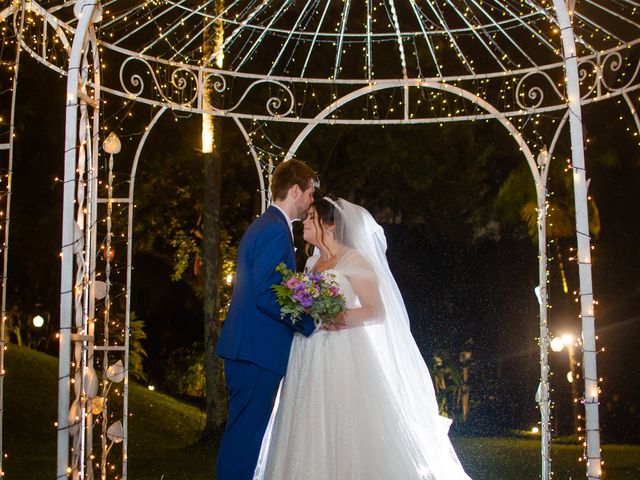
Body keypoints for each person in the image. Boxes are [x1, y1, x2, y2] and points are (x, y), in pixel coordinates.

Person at [253, 195, 472, 480]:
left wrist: (338, 317)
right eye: (305, 217)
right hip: (306, 353)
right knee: (305, 420)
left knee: (344, 422)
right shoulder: (311, 263)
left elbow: (375, 311)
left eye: (310, 217)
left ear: (330, 225)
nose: (304, 222)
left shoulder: (353, 259)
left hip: (342, 352)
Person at [215, 159, 319, 480]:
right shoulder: (275, 230)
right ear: (295, 190)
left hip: (249, 350)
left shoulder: (267, 225)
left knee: (243, 438)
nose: (312, 201)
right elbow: (266, 293)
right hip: (256, 353)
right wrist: (308, 322)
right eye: (311, 194)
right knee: (244, 443)